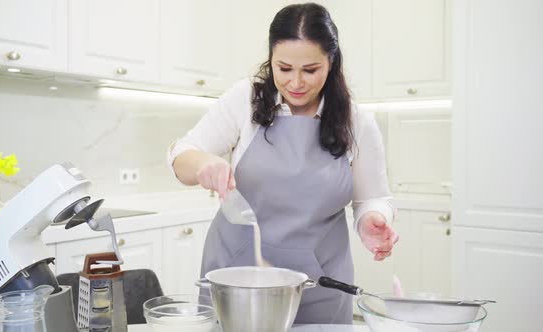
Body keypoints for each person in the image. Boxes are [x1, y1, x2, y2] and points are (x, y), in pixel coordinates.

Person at [167, 2, 398, 325]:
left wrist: (373, 219)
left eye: (310, 69)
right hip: (238, 279)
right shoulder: (245, 100)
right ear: (271, 59)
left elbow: (372, 197)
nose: (296, 83)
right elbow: (182, 155)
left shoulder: (357, 122)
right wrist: (203, 163)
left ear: (331, 62)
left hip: (320, 282)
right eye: (284, 68)